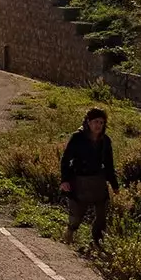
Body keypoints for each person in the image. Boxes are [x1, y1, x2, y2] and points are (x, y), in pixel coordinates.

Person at [60, 106, 118, 248]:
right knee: (77, 215)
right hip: (80, 180)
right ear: (88, 122)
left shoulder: (105, 141)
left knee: (102, 215)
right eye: (95, 121)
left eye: (101, 122)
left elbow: (109, 165)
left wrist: (115, 185)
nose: (98, 125)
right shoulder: (78, 138)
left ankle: (97, 242)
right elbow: (66, 160)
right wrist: (65, 180)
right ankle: (70, 232)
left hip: (98, 180)